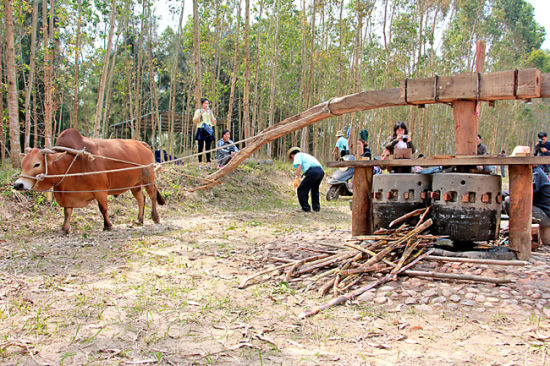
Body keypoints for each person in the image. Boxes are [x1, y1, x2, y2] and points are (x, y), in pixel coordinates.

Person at [504, 165, 550, 245]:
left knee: (509, 201)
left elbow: (523, 192)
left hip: (545, 215)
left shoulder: (536, 174)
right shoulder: (535, 172)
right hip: (543, 212)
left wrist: (500, 193)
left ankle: (517, 231)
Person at [287, 147, 324, 213]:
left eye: (291, 158)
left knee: (301, 189)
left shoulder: (297, 155)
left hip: (313, 172)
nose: (293, 159)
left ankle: (305, 208)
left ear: (292, 155)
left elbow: (299, 166)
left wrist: (296, 178)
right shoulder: (306, 155)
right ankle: (316, 208)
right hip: (320, 171)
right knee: (315, 189)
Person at [193, 97, 216, 167]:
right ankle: (200, 164)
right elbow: (195, 121)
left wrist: (211, 114)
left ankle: (208, 163)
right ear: (202, 104)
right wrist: (201, 114)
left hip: (208, 130)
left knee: (208, 147)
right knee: (200, 146)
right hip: (201, 129)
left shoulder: (209, 112)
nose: (207, 105)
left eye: (208, 103)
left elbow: (214, 122)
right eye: (205, 103)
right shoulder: (198, 111)